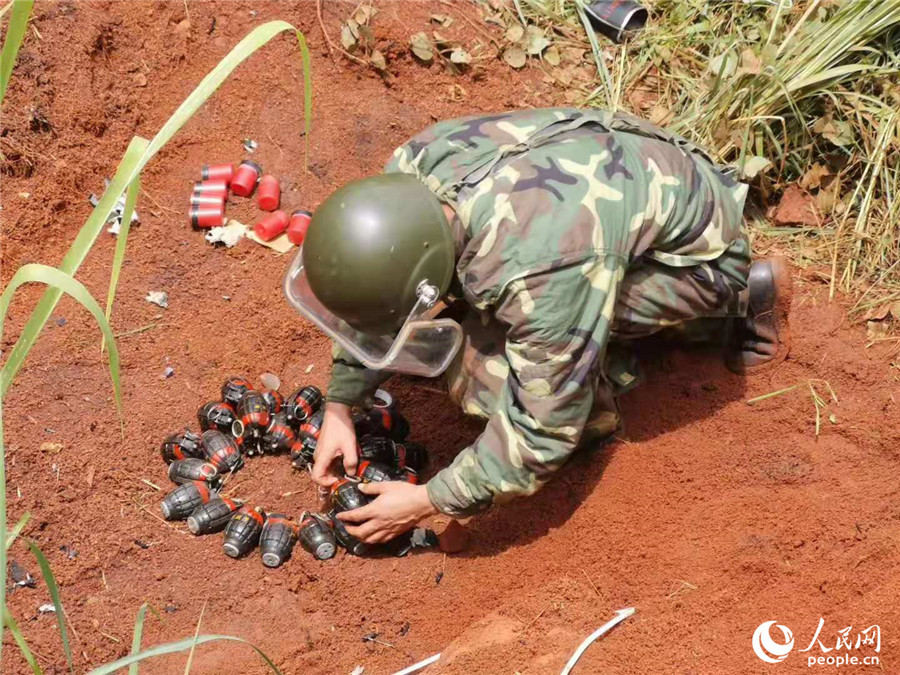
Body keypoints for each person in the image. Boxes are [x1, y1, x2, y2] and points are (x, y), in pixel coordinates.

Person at [283, 108, 791, 544]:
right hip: (637, 175)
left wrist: (428, 500)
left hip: (698, 257)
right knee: (528, 312)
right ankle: (597, 325)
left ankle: (738, 297)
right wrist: (341, 405)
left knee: (482, 376)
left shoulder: (539, 273)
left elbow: (542, 430)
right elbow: (379, 288)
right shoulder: (410, 171)